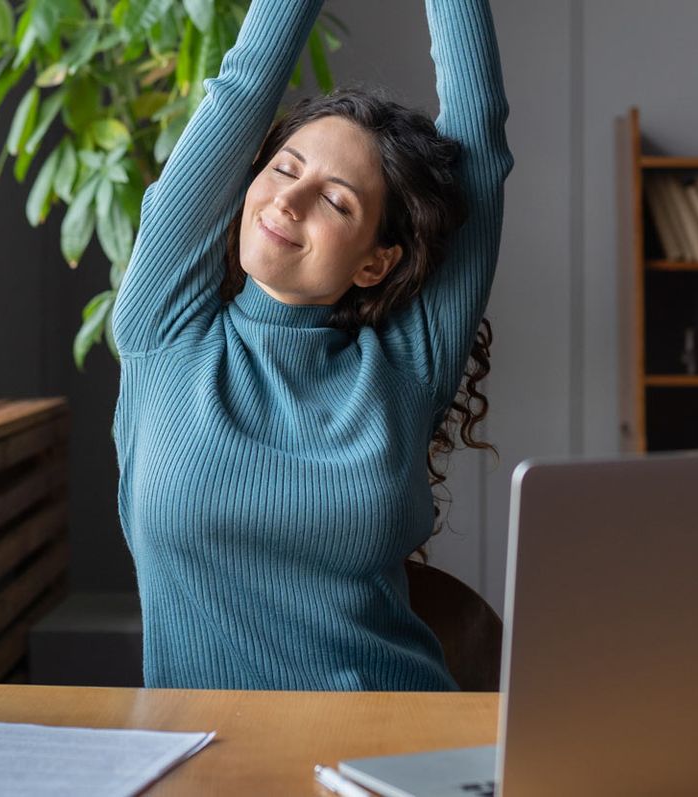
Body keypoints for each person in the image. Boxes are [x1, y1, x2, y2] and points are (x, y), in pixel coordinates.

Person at [111, 0, 511, 691]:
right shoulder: (163, 326)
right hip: (204, 758)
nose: (288, 203)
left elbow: (478, 135)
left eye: (337, 202)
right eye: (285, 169)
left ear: (375, 262)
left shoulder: (405, 366)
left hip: (395, 747)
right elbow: (242, 88)